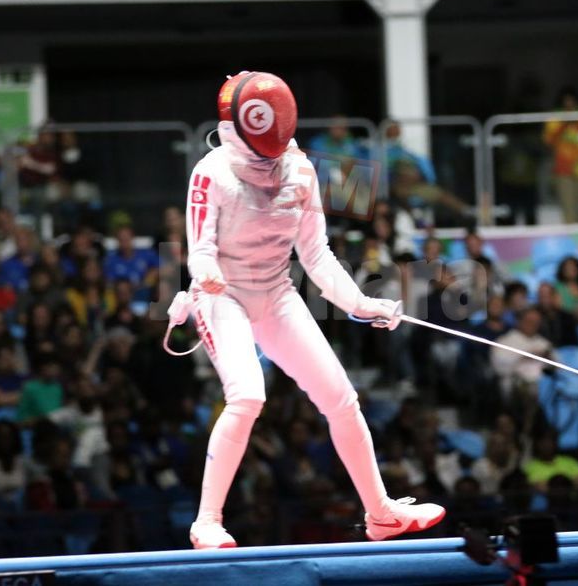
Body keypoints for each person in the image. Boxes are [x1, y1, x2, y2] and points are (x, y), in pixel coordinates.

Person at [182, 71, 445, 549]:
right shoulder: (211, 172)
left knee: (342, 400)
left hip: (276, 293)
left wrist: (361, 303)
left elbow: (317, 255)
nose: (269, 161)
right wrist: (207, 274)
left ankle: (381, 514)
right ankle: (207, 522)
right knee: (248, 396)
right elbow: (199, 251)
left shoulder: (300, 170)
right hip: (223, 297)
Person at [543, 87, 578, 224]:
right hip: (564, 169)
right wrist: (564, 124)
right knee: (568, 207)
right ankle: (571, 233)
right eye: (566, 101)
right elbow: (549, 141)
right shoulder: (554, 119)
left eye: (572, 101)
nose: (569, 105)